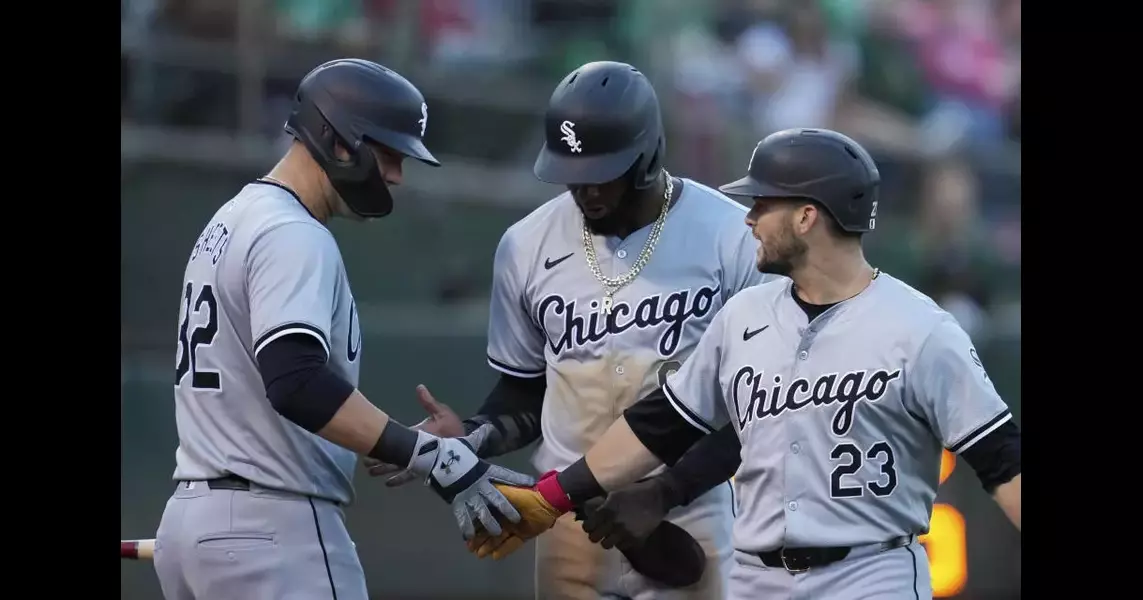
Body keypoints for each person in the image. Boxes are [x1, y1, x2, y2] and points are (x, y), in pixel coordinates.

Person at [462, 128, 1022, 600]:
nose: (748, 217)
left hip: (871, 574)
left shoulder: (921, 330)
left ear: (807, 218)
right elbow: (659, 425)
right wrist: (549, 499)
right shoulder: (743, 317)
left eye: (764, 203)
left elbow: (1002, 463)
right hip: (757, 581)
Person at [366, 60, 774, 599]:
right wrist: (475, 434)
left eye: (602, 173)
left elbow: (757, 408)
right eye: (571, 174)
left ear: (647, 156)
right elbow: (527, 389)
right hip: (564, 513)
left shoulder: (731, 236)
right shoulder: (526, 244)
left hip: (686, 509)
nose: (585, 192)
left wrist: (664, 493)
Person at [151, 59, 534, 600]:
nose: (397, 176)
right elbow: (297, 381)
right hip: (274, 531)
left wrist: (387, 437)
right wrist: (433, 456)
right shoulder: (292, 232)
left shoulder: (233, 217)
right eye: (389, 155)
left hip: (197, 526)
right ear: (338, 141)